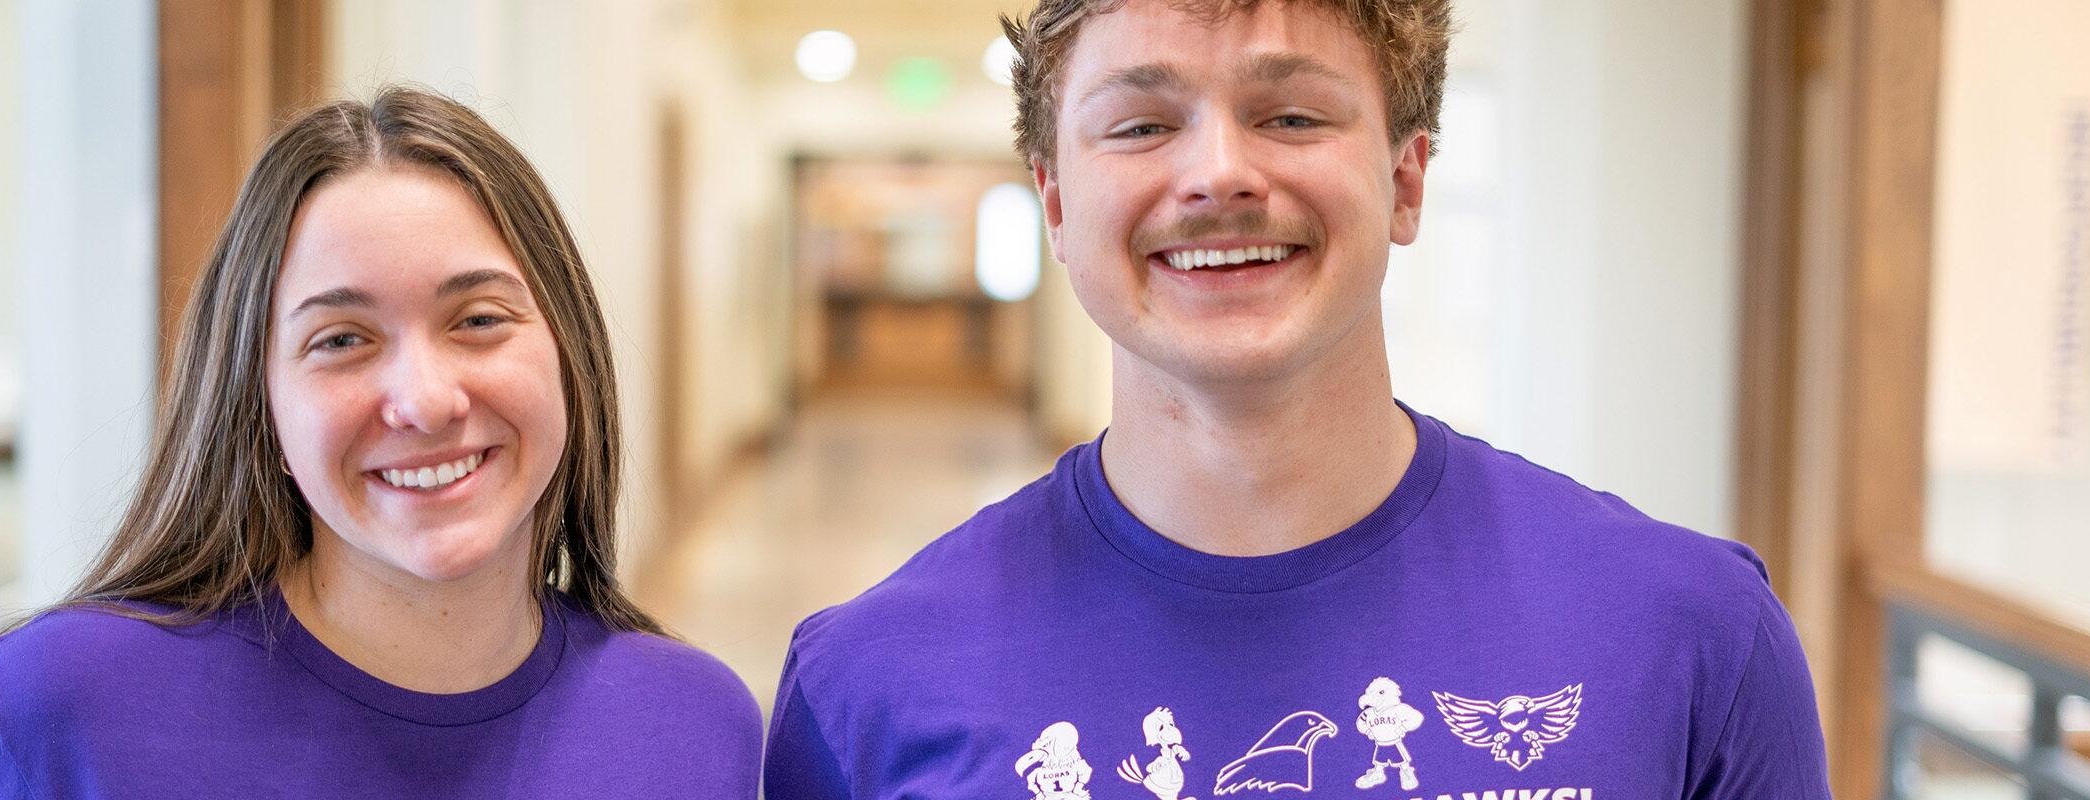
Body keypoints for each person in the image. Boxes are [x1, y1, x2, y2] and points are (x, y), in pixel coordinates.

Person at [762, 1, 1831, 798]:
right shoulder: (867, 685)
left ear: (1406, 180)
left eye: (1289, 114)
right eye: (1139, 126)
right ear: (1053, 196)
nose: (1218, 172)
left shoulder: (1688, 636)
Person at [0, 86, 761, 798]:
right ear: (260, 406)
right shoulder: (45, 719)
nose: (424, 401)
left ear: (568, 354)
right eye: (341, 339)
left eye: (479, 319)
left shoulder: (695, 726)